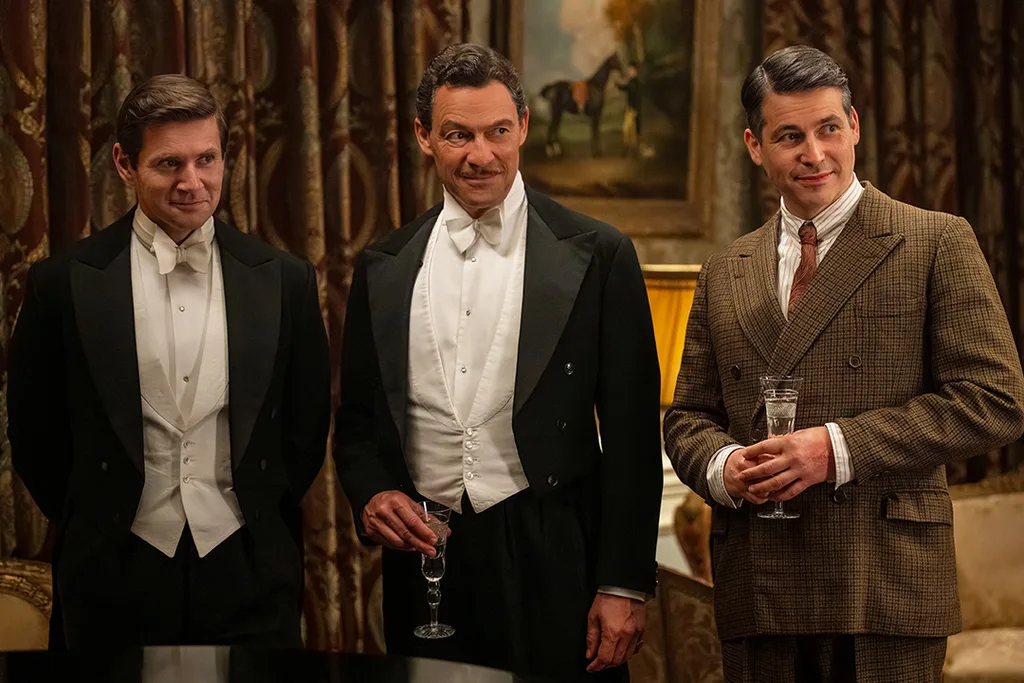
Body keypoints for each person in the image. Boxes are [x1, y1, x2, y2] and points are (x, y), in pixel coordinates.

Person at [664, 45, 1024, 682]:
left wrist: (835, 449)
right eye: (789, 137)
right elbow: (689, 416)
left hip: (883, 583)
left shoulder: (936, 241)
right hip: (760, 584)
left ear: (854, 127)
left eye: (828, 128)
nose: (814, 154)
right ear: (754, 146)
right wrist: (724, 467)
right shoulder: (724, 270)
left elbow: (995, 401)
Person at [334, 43, 662, 680]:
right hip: (426, 557)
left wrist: (623, 582)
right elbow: (357, 424)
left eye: (498, 132)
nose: (481, 155)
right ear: (424, 137)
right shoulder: (383, 264)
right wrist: (371, 492)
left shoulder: (599, 255)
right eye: (458, 134)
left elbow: (631, 437)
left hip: (554, 549)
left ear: (525, 128)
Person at [8, 74, 331, 647]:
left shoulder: (285, 280)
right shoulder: (63, 283)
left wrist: (257, 508)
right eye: (169, 164)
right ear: (124, 164)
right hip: (111, 572)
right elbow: (36, 432)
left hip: (249, 570)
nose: (192, 182)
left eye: (207, 159)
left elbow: (305, 427)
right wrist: (101, 513)